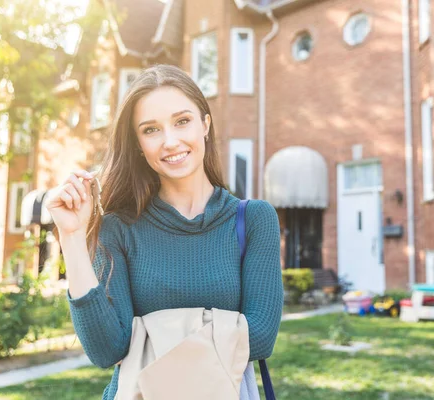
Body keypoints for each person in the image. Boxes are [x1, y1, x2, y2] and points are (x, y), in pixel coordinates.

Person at [45, 64, 283, 399]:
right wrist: (72, 237)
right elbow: (108, 349)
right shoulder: (118, 228)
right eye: (151, 130)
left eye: (182, 121)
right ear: (139, 144)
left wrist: (144, 335)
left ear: (205, 124)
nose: (170, 141)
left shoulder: (253, 220)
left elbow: (260, 337)